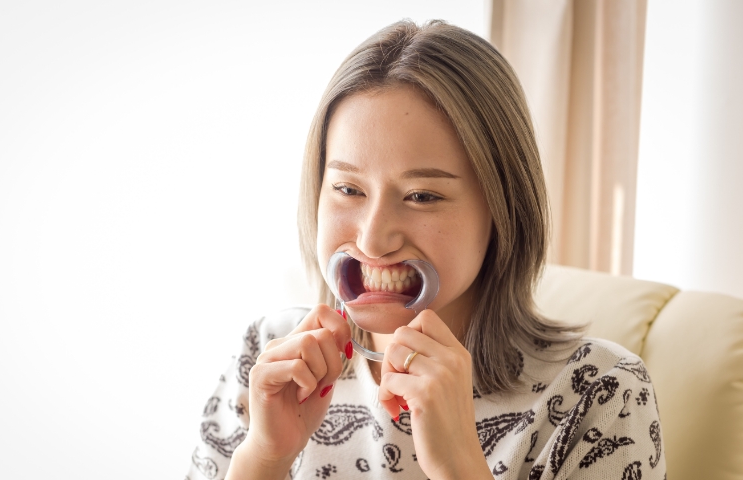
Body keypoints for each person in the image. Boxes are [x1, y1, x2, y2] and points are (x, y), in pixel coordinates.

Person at [186, 20, 665, 480]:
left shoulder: (602, 392)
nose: (373, 240)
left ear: (502, 210)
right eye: (348, 190)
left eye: (422, 196)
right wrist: (264, 459)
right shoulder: (266, 357)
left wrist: (460, 468)